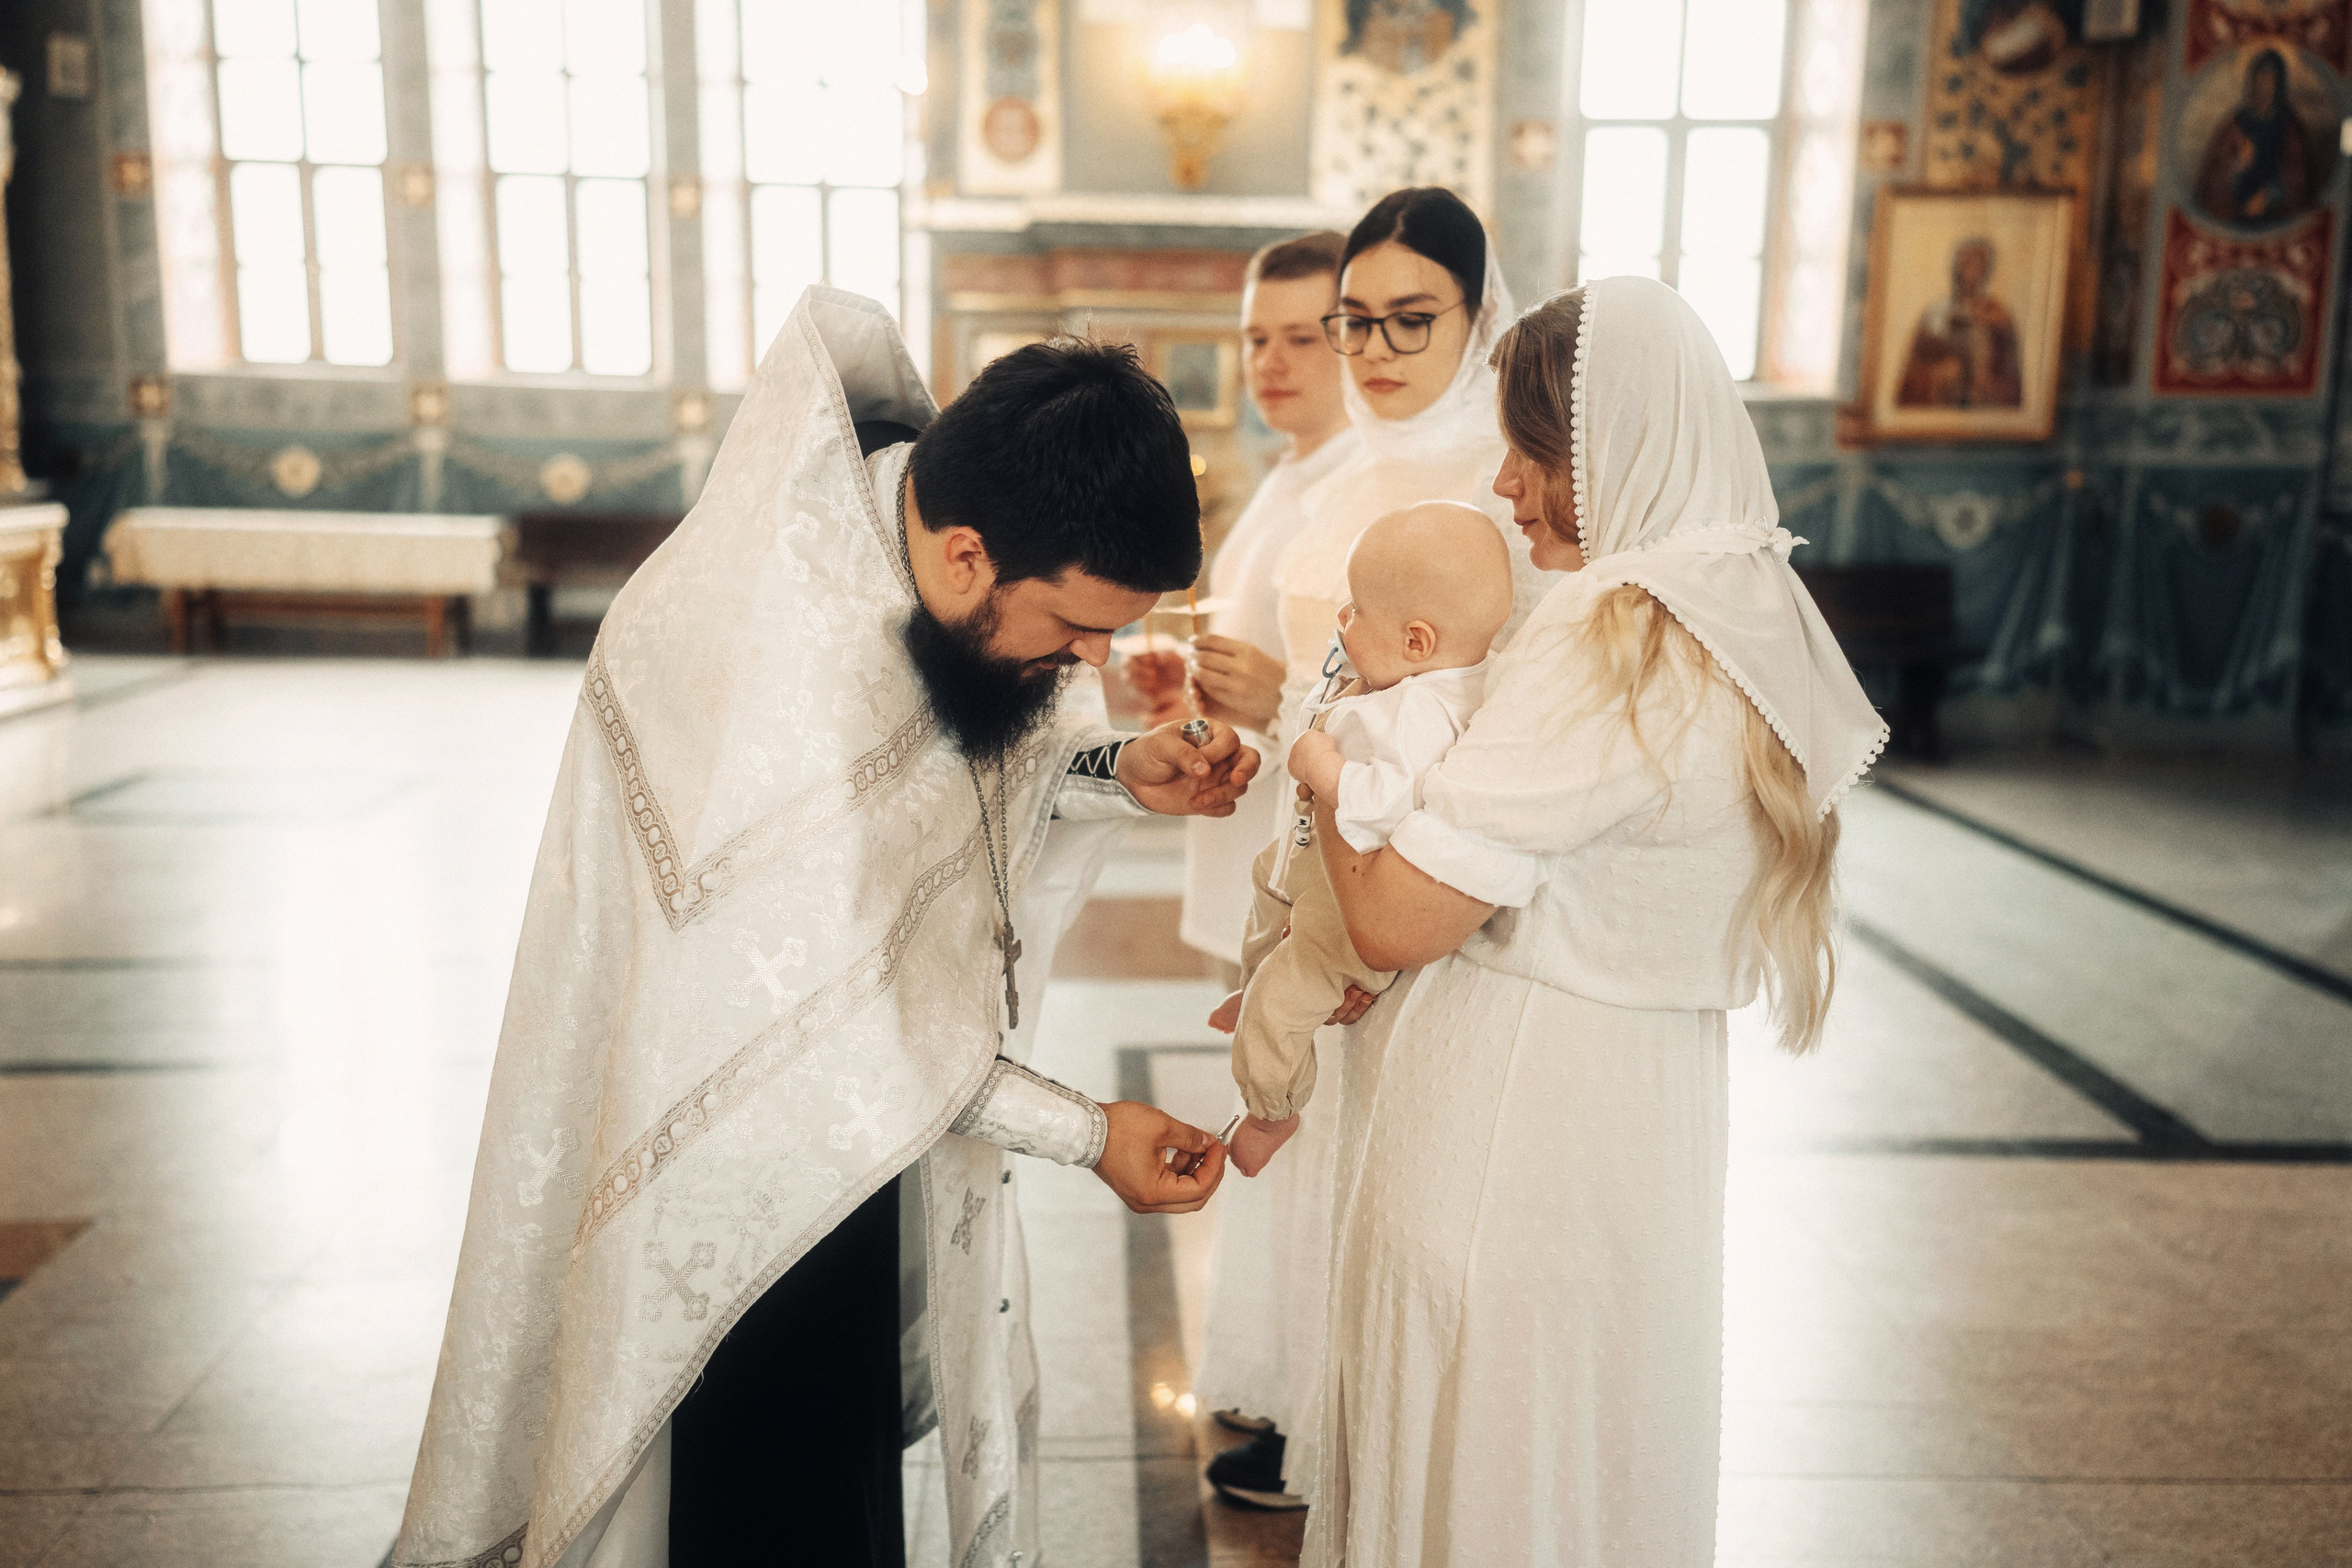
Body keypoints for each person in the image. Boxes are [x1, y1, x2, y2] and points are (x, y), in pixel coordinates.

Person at [391, 288, 1250, 1568]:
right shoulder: (769, 655)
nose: (1085, 662)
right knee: (762, 1500)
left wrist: (1114, 770)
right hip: (724, 1177)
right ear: (967, 555)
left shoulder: (895, 524)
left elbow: (942, 777)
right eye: (1074, 627)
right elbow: (838, 1011)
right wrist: (1089, 1132)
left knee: (837, 1480)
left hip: (837, 1152)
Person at [1299, 276, 1887, 1566]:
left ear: (1618, 444)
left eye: (1534, 452)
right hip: (1637, 1103)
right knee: (1586, 1436)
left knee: (1483, 1442)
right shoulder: (1746, 608)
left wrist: (1322, 769)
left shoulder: (1623, 631)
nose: (1508, 487)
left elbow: (1398, 913)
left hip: (1517, 1111)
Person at [1200, 185, 1548, 1513]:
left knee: (1359, 1145)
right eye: (1355, 321)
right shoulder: (1340, 462)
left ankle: (1343, 1432)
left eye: (1413, 318)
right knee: (1311, 1124)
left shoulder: (1487, 477)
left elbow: (1469, 691)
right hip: (1303, 808)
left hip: (1389, 839)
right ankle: (1306, 1402)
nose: (1374, 350)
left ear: (1477, 314)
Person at [1216, 502, 1513, 1177]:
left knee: (1281, 1001)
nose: (1341, 622)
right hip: (1312, 864)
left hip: (1347, 902)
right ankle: (1257, 981)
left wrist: (1323, 766)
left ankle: (1272, 1105)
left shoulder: (1422, 714)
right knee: (1266, 885)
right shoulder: (1416, 682)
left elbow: (1386, 805)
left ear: (1416, 639)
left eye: (1355, 611)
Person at [1895, 237, 2023, 409]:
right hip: (1942, 399)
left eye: (1976, 264)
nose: (1969, 271)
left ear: (1986, 270)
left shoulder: (1996, 313)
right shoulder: (1935, 312)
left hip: (1982, 403)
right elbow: (1916, 366)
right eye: (1964, 263)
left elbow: (2009, 369)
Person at [2194, 47, 2315, 229]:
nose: (2264, 85)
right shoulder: (2234, 125)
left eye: (2270, 80)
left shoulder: (2289, 126)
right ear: (2252, 81)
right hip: (2235, 216)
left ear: (2278, 85)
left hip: (2279, 219)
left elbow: (2298, 178)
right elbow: (2214, 179)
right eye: (2260, 78)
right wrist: (2237, 167)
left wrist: (2270, 194)